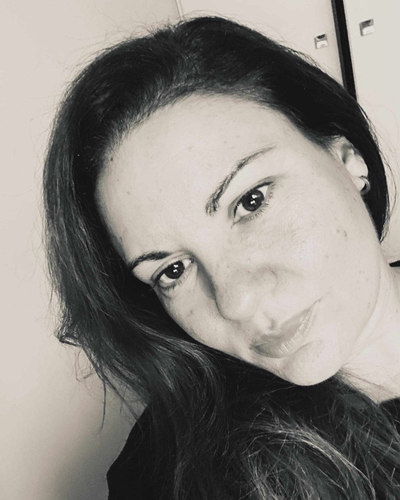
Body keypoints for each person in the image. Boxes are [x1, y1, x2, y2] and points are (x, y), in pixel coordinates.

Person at [43, 16, 400, 500]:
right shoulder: (173, 473)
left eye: (251, 201)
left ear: (346, 158)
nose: (235, 301)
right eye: (172, 270)